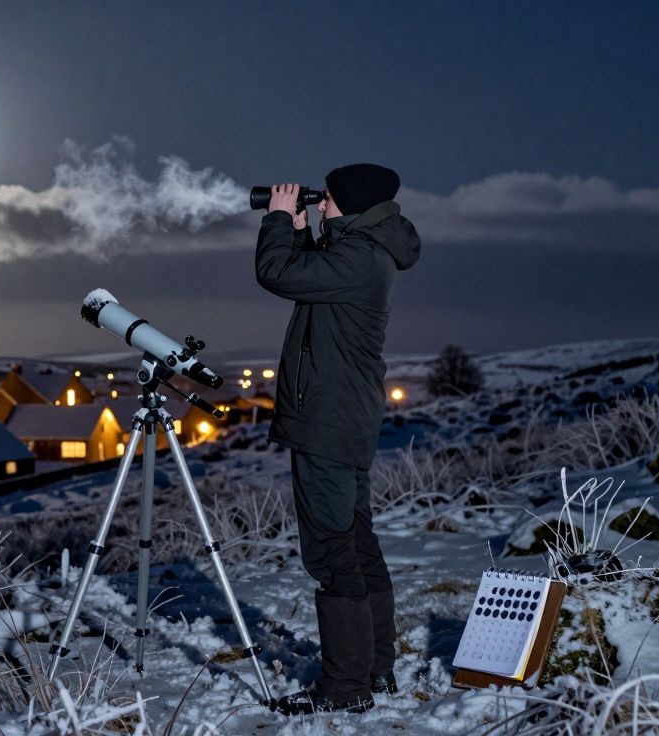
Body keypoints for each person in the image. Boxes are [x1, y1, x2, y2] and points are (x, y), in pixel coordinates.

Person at [254, 164, 422, 715]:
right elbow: (309, 268)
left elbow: (278, 272)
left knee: (332, 550)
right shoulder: (367, 250)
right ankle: (375, 669)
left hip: (327, 422)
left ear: (349, 205)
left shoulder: (357, 258)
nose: (319, 204)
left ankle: (346, 688)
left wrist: (280, 220)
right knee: (357, 543)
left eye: (325, 199)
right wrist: (304, 223)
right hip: (346, 418)